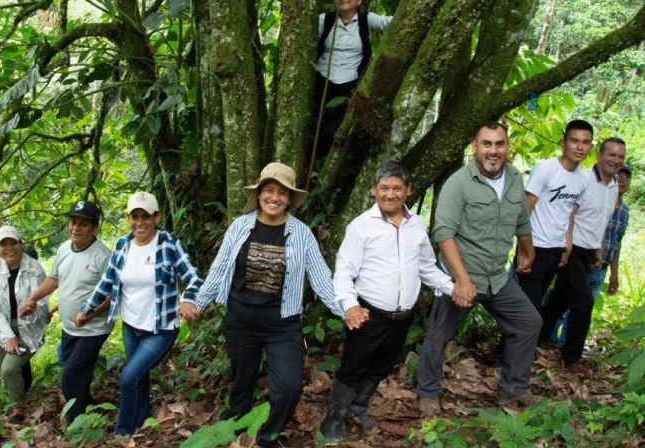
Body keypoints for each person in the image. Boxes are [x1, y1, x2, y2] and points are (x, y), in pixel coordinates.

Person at [179, 162, 343, 448]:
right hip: (241, 320)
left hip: (282, 323)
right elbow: (218, 271)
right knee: (241, 384)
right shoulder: (240, 226)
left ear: (290, 199)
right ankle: (234, 434)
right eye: (269, 190)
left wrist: (346, 310)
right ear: (259, 194)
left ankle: (267, 438)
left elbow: (320, 277)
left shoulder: (301, 233)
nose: (275, 198)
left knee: (289, 386)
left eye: (282, 193)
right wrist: (198, 303)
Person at [319, 160, 455, 443]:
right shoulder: (361, 227)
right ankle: (334, 419)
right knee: (353, 366)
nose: (390, 194)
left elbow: (427, 267)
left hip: (402, 317)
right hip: (369, 314)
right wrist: (349, 305)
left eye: (396, 188)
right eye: (384, 188)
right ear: (374, 191)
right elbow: (344, 271)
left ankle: (358, 407)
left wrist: (451, 287)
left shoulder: (416, 225)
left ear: (408, 190)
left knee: (382, 366)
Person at [416, 121, 542, 417]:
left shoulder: (513, 177)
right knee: (438, 335)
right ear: (475, 147)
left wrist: (528, 250)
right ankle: (427, 393)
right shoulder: (458, 183)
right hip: (461, 275)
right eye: (487, 144)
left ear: (508, 147)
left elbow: (521, 221)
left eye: (499, 144)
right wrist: (460, 281)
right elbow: (444, 233)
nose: (493, 151)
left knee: (528, 323)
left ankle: (512, 390)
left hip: (497, 277)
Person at [77, 192, 204, 436]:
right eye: (134, 217)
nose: (139, 222)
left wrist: (187, 299)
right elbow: (107, 280)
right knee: (139, 376)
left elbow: (194, 277)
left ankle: (123, 431)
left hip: (161, 329)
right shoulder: (123, 245)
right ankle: (141, 420)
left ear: (156, 216)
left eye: (145, 216)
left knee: (128, 377)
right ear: (128, 219)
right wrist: (86, 310)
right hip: (131, 326)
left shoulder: (168, 243)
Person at [539, 138, 626, 373]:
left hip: (588, 251)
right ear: (599, 155)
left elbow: (601, 219)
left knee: (560, 300)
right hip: (571, 249)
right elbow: (570, 213)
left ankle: (538, 338)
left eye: (620, 157)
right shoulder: (585, 180)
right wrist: (566, 245)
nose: (616, 160)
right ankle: (572, 359)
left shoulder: (614, 185)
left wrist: (597, 249)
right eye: (612, 155)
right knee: (584, 301)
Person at [19, 201, 112, 421]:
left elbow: (113, 294)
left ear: (95, 228)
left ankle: (76, 423)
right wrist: (32, 299)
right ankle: (89, 406)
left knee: (70, 375)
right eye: (73, 222)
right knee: (78, 372)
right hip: (70, 326)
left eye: (83, 224)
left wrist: (90, 314)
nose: (75, 228)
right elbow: (54, 280)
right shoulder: (63, 249)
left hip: (94, 328)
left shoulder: (103, 256)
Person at [514, 120, 593, 309]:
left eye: (585, 142)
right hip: (535, 247)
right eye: (574, 141)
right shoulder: (546, 169)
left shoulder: (584, 177)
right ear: (563, 142)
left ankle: (512, 340)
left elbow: (570, 213)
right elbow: (524, 211)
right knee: (528, 313)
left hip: (556, 251)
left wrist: (567, 244)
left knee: (533, 309)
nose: (580, 147)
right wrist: (524, 250)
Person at [553, 164, 632, 345]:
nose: (622, 180)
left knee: (582, 309)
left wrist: (614, 274)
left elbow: (617, 243)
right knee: (565, 302)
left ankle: (564, 344)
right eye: (619, 176)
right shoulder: (599, 198)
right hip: (583, 260)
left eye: (627, 178)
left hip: (601, 267)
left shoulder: (624, 212)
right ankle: (550, 341)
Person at [314, 0, 392, 159]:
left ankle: (330, 163)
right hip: (323, 78)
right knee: (319, 123)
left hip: (350, 80)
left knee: (339, 126)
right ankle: (315, 165)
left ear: (359, 0)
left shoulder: (366, 20)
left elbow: (390, 22)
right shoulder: (324, 20)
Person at [0, 225, 48, 424]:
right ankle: (16, 399)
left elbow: (42, 303)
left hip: (28, 327)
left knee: (8, 369)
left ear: (21, 244)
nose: (9, 248)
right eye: (4, 244)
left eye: (13, 242)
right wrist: (8, 335)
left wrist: (31, 310)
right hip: (2, 326)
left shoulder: (34, 268)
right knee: (6, 367)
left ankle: (18, 409)